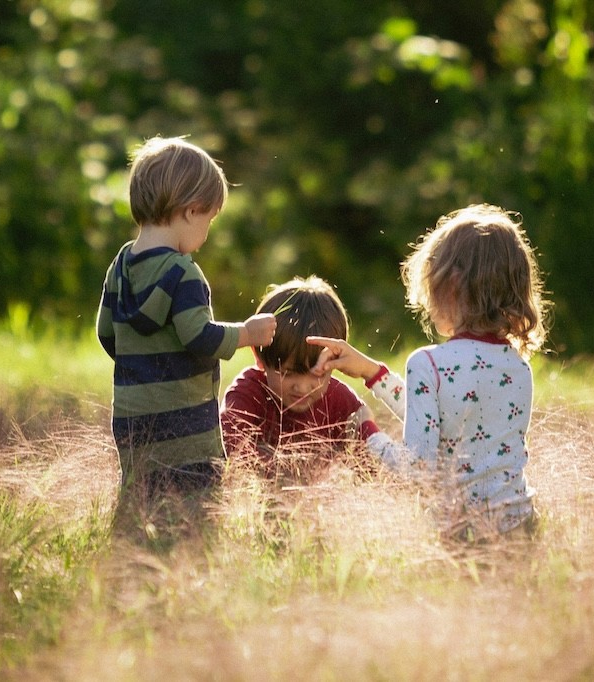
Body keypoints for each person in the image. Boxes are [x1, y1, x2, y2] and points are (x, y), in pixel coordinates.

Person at [308, 203, 550, 535]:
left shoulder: (429, 364)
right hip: (521, 528)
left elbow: (417, 470)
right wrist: (371, 373)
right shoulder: (517, 367)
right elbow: (449, 416)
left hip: (463, 538)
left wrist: (366, 434)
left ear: (449, 284)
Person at [96, 136, 277, 505]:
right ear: (191, 211)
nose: (206, 233)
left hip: (133, 418)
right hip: (186, 427)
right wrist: (247, 333)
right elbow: (199, 338)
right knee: (194, 510)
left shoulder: (120, 266)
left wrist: (142, 368)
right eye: (209, 220)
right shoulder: (183, 273)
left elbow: (106, 333)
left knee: (141, 502)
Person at [221, 276, 382, 479]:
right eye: (287, 373)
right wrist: (292, 478)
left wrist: (364, 424)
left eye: (318, 374)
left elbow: (375, 470)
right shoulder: (247, 396)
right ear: (260, 357)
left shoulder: (340, 402)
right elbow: (235, 459)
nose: (303, 387)